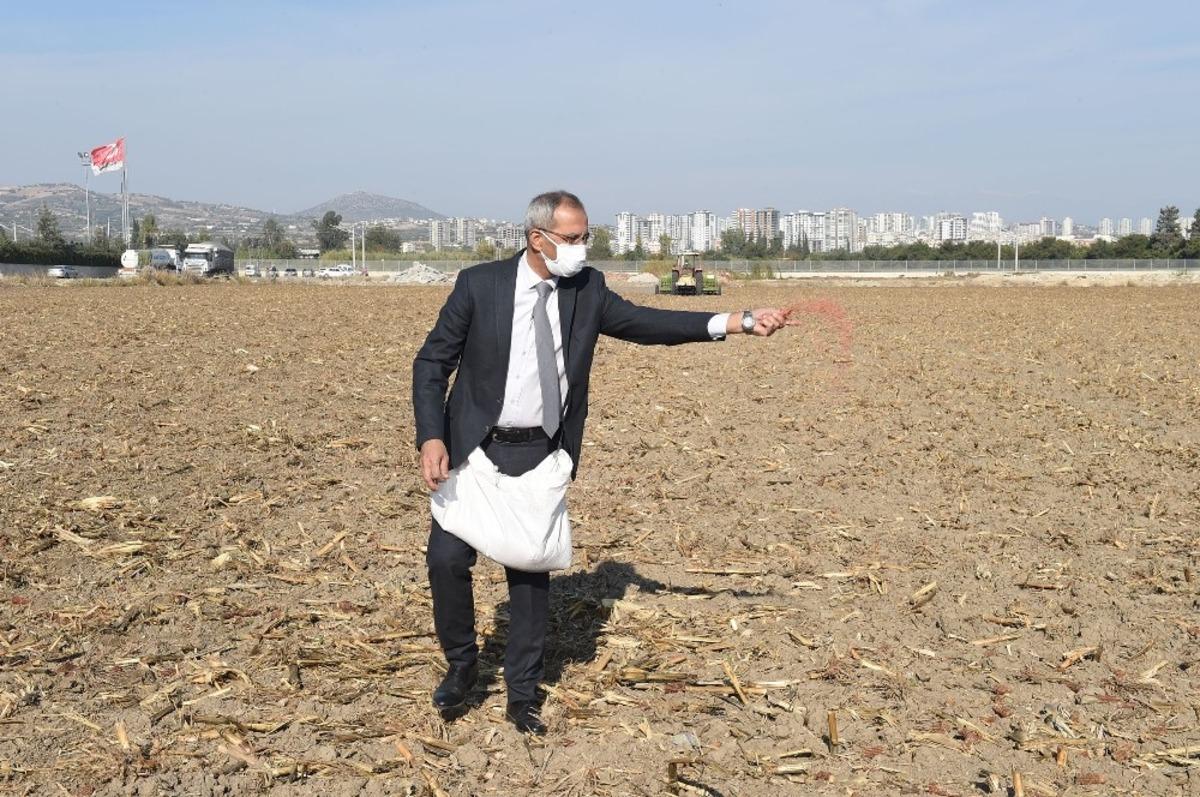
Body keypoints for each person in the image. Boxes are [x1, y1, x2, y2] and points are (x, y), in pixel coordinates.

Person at [412, 190, 788, 735]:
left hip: (539, 451)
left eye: (586, 236)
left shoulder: (587, 290)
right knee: (446, 558)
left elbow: (647, 324)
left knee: (530, 574)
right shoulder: (480, 284)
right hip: (474, 448)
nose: (582, 248)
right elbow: (432, 362)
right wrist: (430, 437)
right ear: (537, 238)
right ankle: (462, 664)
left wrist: (738, 320)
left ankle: (522, 694)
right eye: (572, 238)